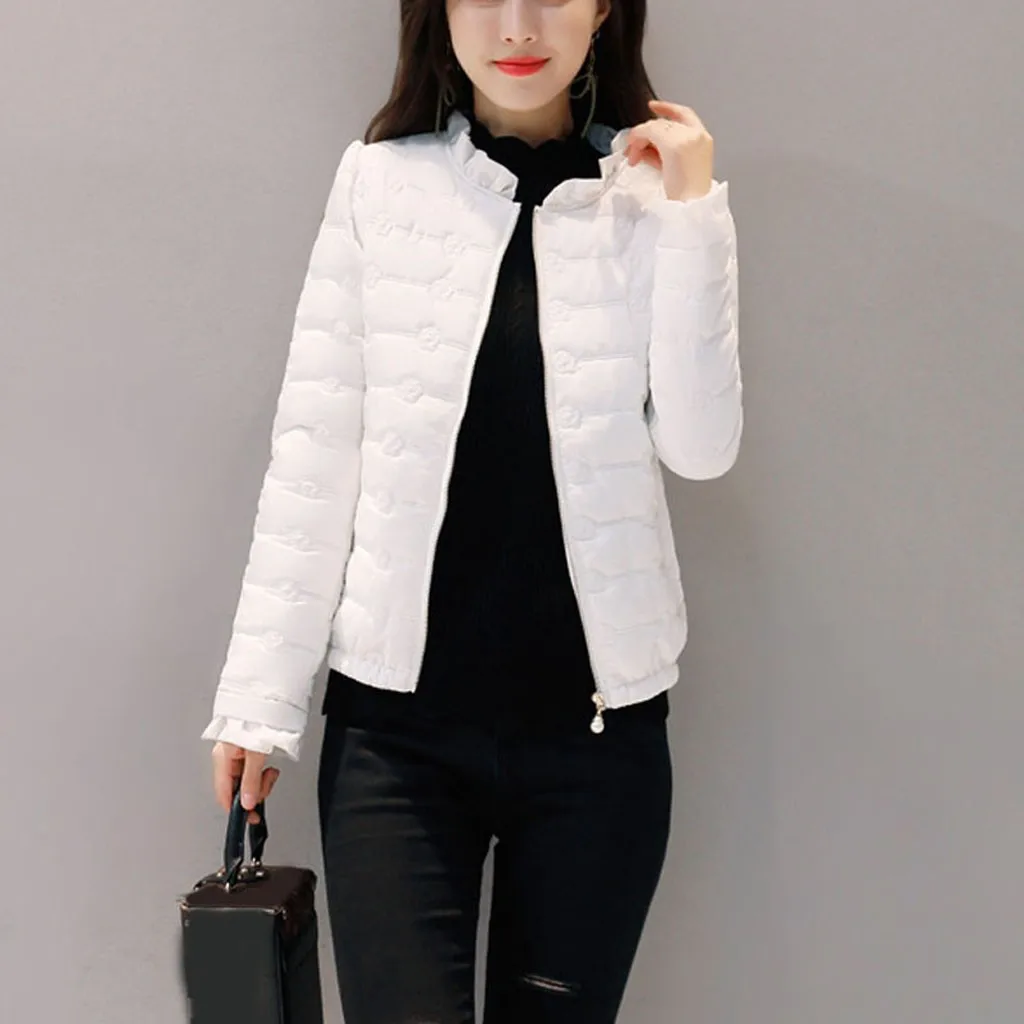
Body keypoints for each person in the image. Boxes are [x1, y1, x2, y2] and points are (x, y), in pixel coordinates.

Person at [203, 0, 742, 1019]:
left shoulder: (651, 201)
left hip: (596, 745)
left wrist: (692, 214)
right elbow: (315, 455)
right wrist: (258, 701)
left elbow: (702, 448)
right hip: (396, 744)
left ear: (603, 10)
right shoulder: (380, 183)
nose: (518, 26)